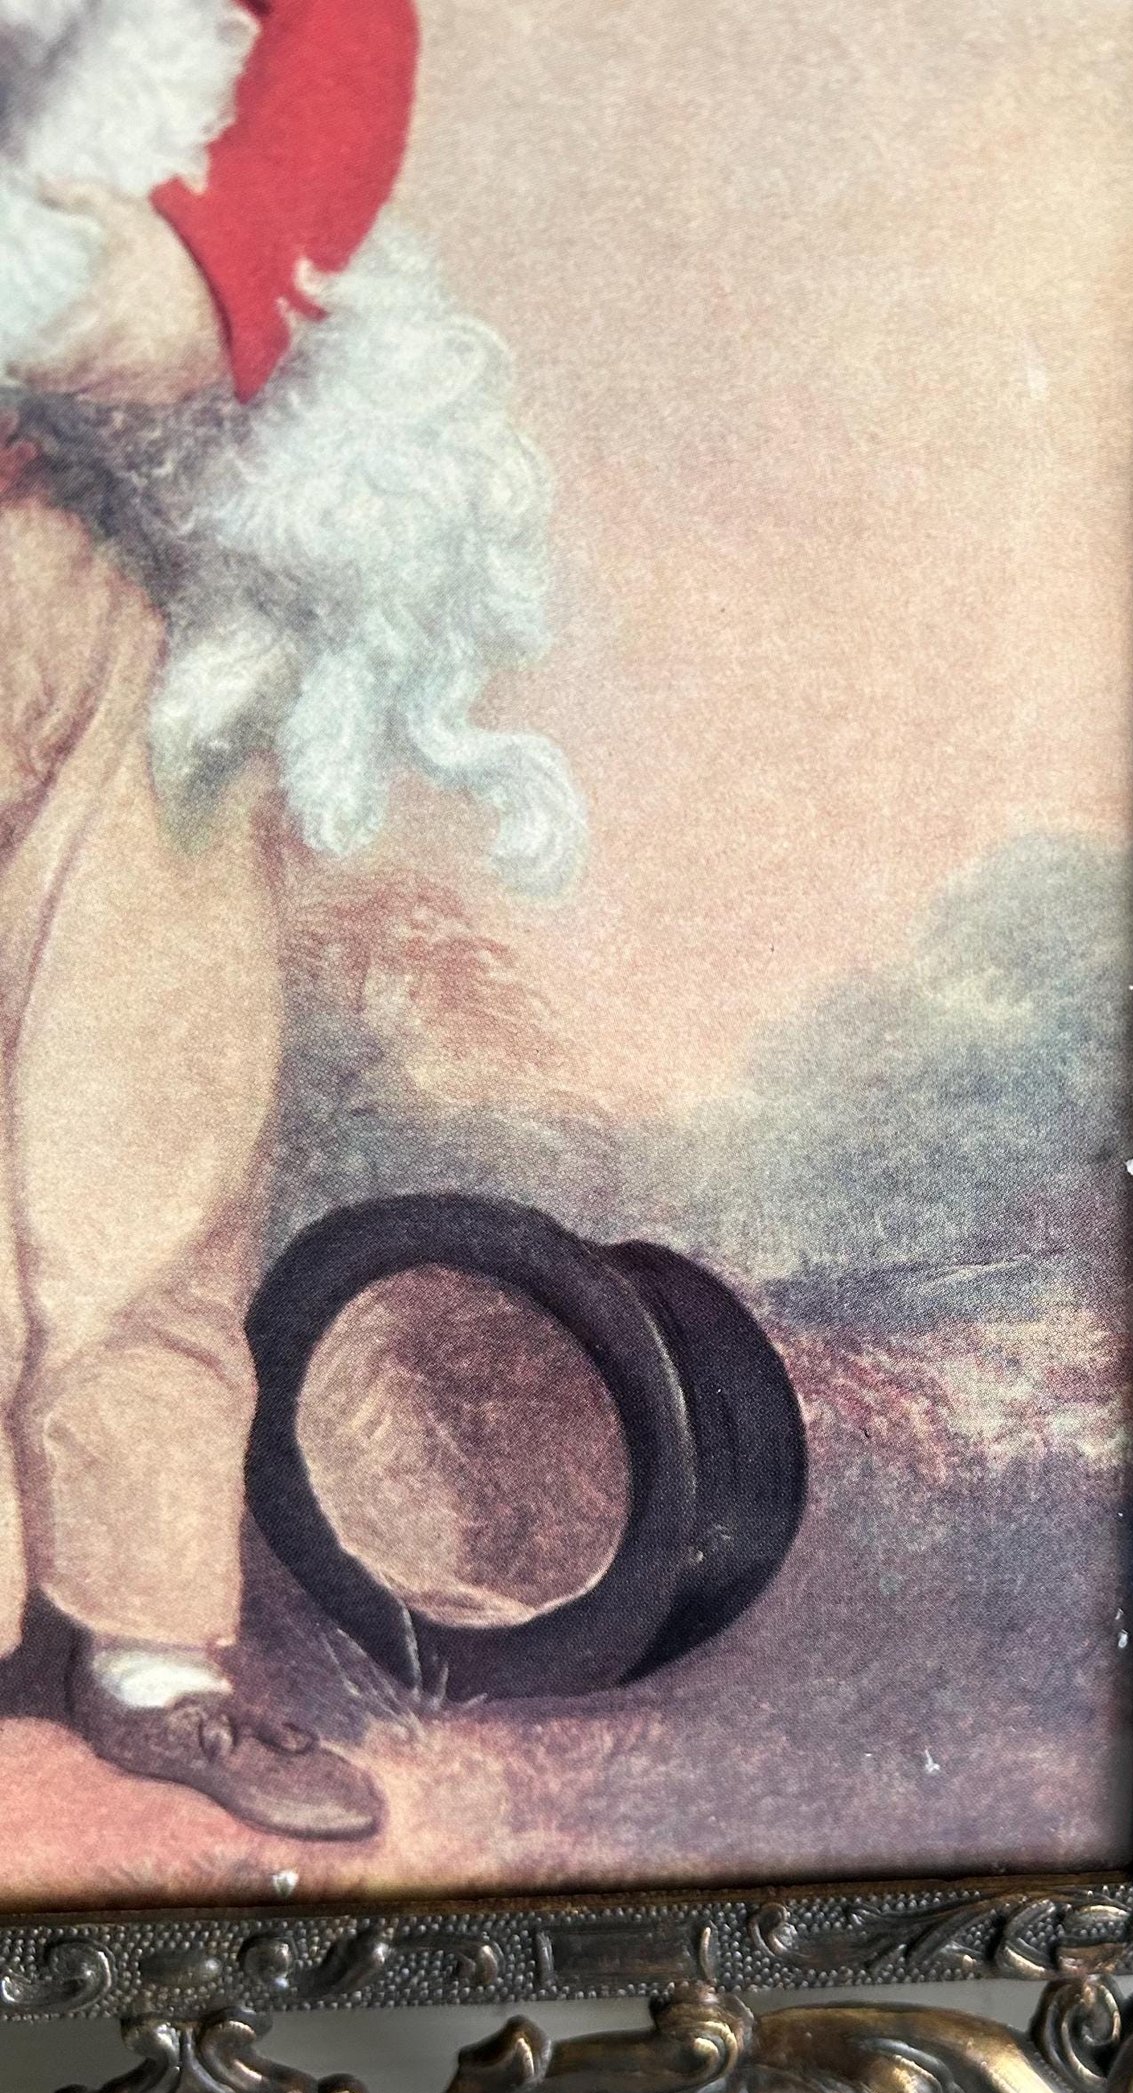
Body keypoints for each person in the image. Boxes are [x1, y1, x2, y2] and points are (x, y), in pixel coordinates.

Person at [0, 0, 580, 1840]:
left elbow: (306, 130)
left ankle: (148, 1643)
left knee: (154, 1101)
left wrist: (117, 290)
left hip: (154, 573)